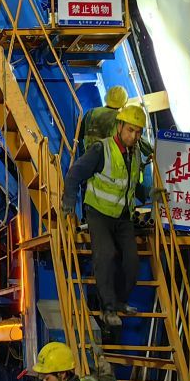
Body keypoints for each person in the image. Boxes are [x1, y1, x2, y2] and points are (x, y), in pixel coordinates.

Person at [63, 104, 152, 327]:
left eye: (139, 132)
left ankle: (120, 301)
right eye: (131, 130)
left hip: (122, 217)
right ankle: (108, 308)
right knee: (106, 255)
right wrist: (69, 202)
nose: (135, 136)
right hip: (99, 213)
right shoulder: (101, 150)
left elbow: (132, 185)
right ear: (119, 126)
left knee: (132, 261)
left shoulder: (136, 154)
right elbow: (75, 174)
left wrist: (151, 194)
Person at [79, 86, 127, 150]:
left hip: (89, 156)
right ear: (124, 103)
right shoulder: (121, 119)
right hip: (109, 158)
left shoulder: (91, 112)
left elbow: (79, 135)